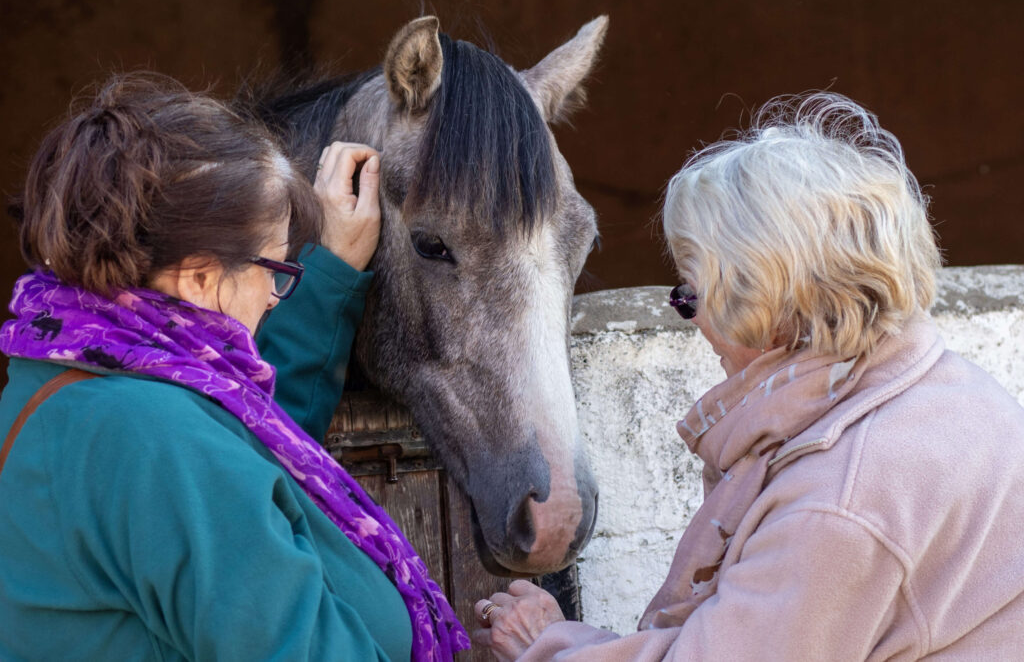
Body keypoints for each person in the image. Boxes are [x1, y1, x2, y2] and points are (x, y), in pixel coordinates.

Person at [473, 92, 1024, 659]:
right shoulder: (950, 391)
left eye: (690, 296)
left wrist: (547, 646)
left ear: (760, 304)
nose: (694, 322)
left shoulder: (838, 500)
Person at [0, 73, 469, 660]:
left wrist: (330, 276)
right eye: (276, 267)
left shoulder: (73, 372)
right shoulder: (157, 441)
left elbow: (243, 451)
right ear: (199, 277)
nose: (276, 294)